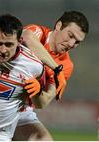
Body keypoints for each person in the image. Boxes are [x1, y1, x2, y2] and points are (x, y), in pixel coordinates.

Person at [13, 11, 89, 141]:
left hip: (22, 111)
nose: (71, 44)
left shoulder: (67, 65)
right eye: (70, 35)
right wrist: (56, 69)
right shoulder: (38, 32)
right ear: (59, 25)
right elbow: (26, 36)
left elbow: (43, 102)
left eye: (77, 42)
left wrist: (37, 92)